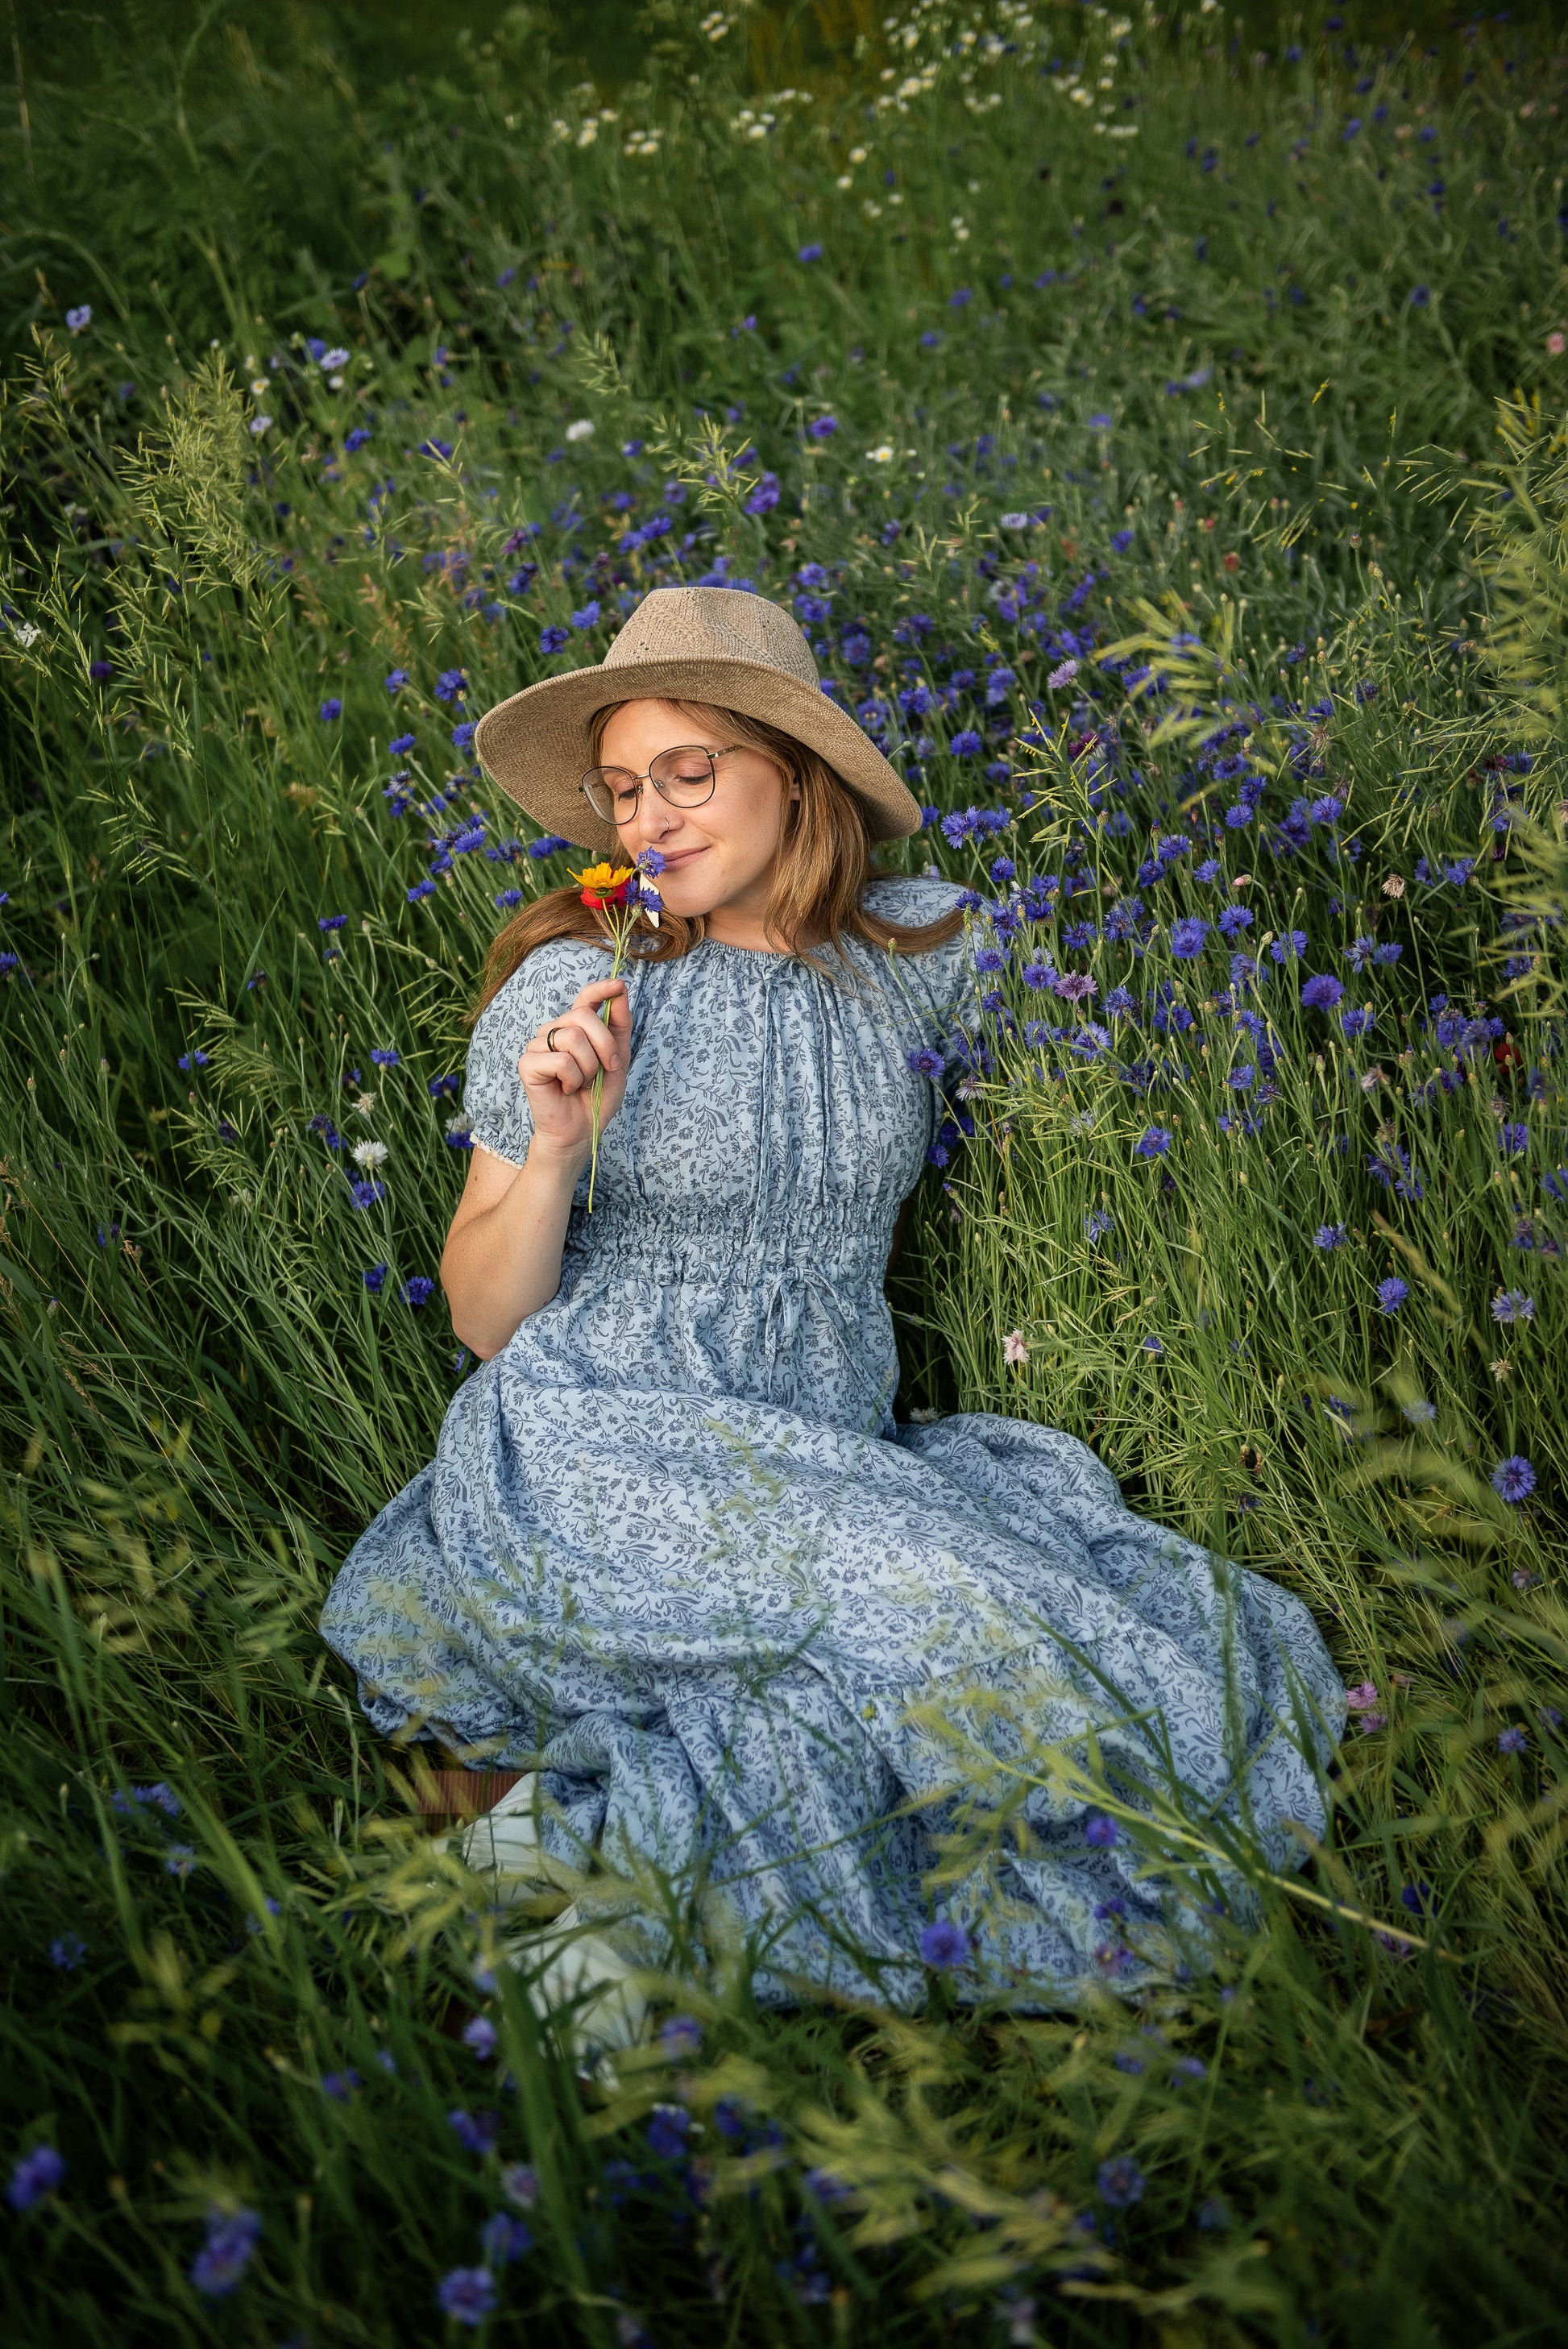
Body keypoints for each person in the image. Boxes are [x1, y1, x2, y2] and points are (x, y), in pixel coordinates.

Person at [320, 586, 1344, 2029]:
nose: (649, 821)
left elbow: (1117, 1012)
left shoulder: (907, 960)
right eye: (624, 789)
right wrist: (555, 1142)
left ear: (794, 780)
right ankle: (560, 1883)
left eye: (690, 774)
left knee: (916, 1681)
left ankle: (538, 1849)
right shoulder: (580, 982)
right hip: (605, 1432)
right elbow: (488, 1320)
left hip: (816, 1433)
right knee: (962, 1619)